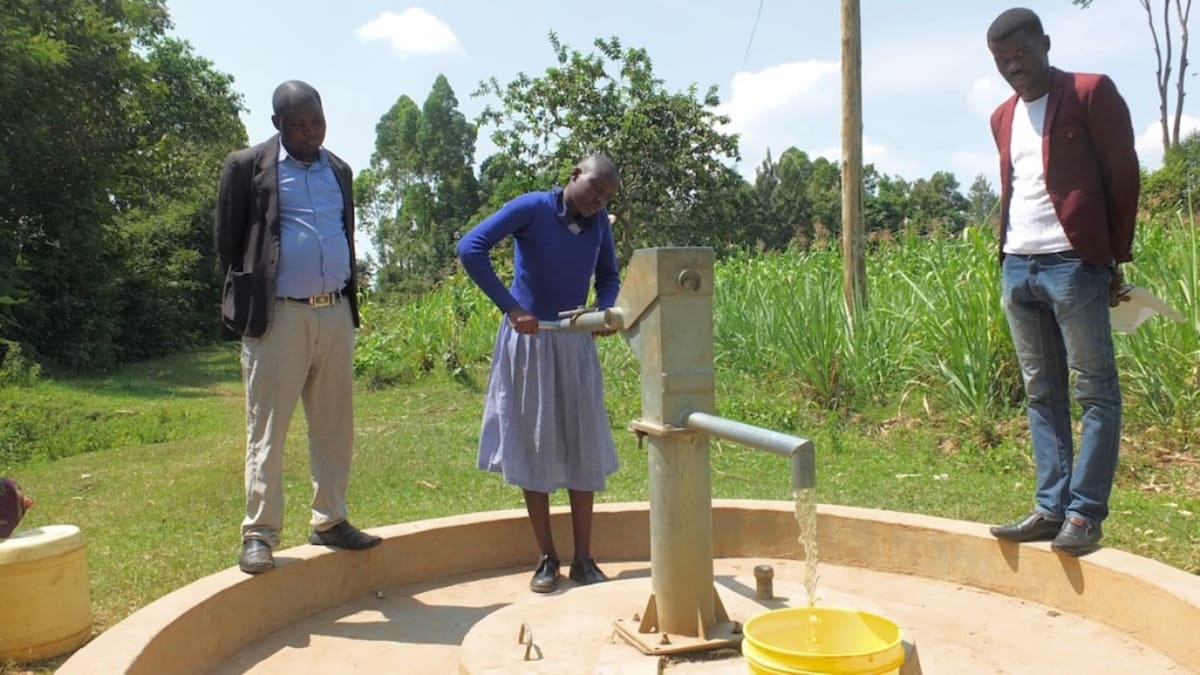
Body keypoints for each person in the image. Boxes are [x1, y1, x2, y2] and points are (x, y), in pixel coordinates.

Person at [985, 8, 1140, 556]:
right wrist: (1004, 254)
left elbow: (1123, 175)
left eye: (1021, 54)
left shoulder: (1091, 91)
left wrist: (1113, 256)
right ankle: (1051, 507)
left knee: (1094, 389)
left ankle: (1084, 514)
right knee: (1041, 391)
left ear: (1044, 43)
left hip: (1074, 263)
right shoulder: (1002, 116)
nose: (1012, 67)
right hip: (1016, 265)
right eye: (1002, 61)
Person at [216, 80, 380, 575]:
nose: (309, 132)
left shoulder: (339, 171)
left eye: (316, 122)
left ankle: (330, 520)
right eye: (297, 124)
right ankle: (259, 534)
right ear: (277, 125)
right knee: (268, 429)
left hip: (334, 313)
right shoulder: (246, 167)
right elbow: (228, 244)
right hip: (278, 316)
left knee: (334, 426)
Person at [456, 155, 622, 592]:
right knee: (535, 444)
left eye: (606, 197)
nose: (598, 202)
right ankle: (546, 558)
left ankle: (584, 559)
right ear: (574, 176)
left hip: (574, 342)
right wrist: (511, 307)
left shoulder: (599, 224)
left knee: (582, 444)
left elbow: (608, 274)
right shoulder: (532, 208)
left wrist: (600, 312)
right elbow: (470, 247)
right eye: (594, 190)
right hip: (529, 342)